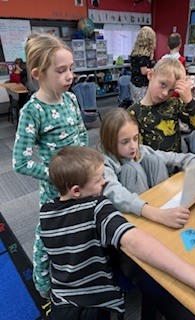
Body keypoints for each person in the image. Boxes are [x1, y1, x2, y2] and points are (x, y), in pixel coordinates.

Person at [37, 145, 195, 320]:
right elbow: (136, 241)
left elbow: (43, 256)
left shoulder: (45, 212)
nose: (104, 183)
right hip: (94, 304)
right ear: (76, 191)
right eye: (99, 180)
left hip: (60, 302)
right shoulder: (96, 207)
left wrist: (44, 289)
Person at [12, 33, 89, 295]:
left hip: (81, 182)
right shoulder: (32, 111)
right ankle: (43, 286)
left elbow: (82, 134)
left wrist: (86, 167)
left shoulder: (71, 99)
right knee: (48, 238)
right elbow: (20, 162)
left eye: (71, 69)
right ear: (38, 74)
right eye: (61, 70)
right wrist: (56, 176)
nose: (70, 76)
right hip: (55, 191)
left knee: (80, 229)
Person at [100, 108, 195, 229]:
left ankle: (166, 209)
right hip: (137, 214)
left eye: (135, 138)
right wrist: (156, 214)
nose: (133, 146)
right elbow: (114, 191)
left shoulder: (143, 151)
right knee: (131, 168)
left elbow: (181, 158)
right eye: (125, 142)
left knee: (154, 160)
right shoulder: (105, 164)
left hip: (158, 208)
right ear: (110, 142)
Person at [128, 58, 195, 153]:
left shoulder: (174, 104)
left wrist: (189, 101)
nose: (165, 93)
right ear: (150, 74)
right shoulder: (133, 112)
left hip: (176, 162)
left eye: (171, 90)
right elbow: (136, 150)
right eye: (163, 84)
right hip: (152, 164)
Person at [130, 26, 156, 104]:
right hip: (141, 85)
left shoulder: (135, 52)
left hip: (134, 83)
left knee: (136, 104)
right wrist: (154, 70)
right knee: (142, 105)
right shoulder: (144, 55)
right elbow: (144, 71)